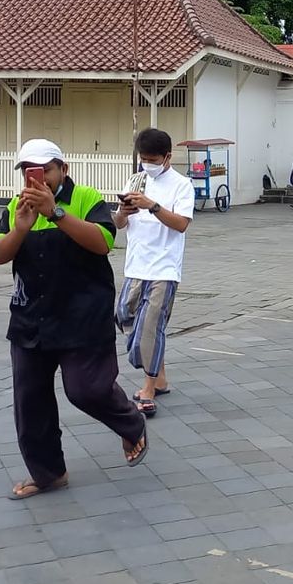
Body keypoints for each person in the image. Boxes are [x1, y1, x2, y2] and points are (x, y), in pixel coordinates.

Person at [0, 139, 147, 500]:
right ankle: (48, 473)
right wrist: (20, 229)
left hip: (82, 316)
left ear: (64, 168)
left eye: (45, 169)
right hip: (31, 319)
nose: (37, 177)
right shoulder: (16, 206)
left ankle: (131, 422)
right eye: (29, 170)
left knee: (86, 390)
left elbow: (103, 241)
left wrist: (56, 214)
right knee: (30, 402)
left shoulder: (87, 198)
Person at [113, 129, 195, 418]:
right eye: (143, 158)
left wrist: (153, 206)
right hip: (136, 265)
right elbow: (119, 223)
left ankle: (148, 388)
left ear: (167, 157)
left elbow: (182, 224)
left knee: (150, 327)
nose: (146, 163)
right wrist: (124, 212)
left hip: (164, 267)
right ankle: (159, 375)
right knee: (124, 315)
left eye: (152, 159)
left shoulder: (181, 185)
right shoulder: (136, 180)